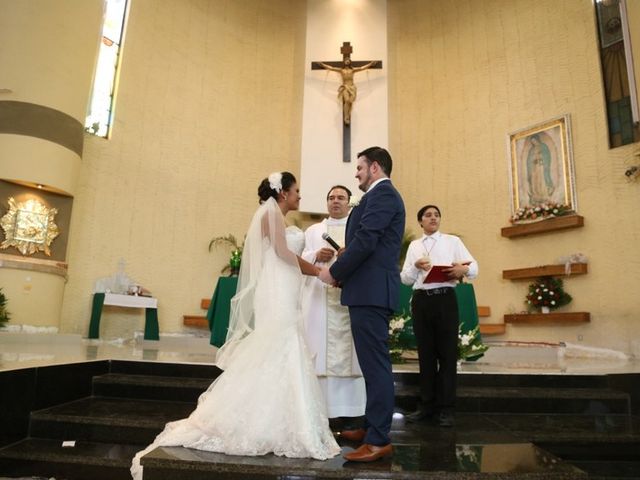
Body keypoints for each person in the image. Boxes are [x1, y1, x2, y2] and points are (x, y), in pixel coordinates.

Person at [131, 172, 340, 479]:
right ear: (283, 193)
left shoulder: (275, 217)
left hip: (284, 287)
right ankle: (274, 421)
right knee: (282, 344)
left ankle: (282, 416)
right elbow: (283, 254)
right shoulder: (271, 216)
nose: (299, 196)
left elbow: (283, 254)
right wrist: (318, 273)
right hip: (280, 289)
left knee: (283, 345)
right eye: (296, 191)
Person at [318, 147, 405, 463]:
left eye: (360, 168)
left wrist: (335, 272)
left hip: (371, 292)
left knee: (376, 366)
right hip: (365, 288)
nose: (356, 173)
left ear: (376, 168)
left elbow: (367, 240)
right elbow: (366, 243)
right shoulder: (376, 197)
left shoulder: (383, 195)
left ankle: (379, 439)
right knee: (372, 365)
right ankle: (372, 428)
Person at [400, 205, 478, 427]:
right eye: (427, 215)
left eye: (436, 215)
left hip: (445, 299)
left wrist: (463, 271)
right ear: (421, 222)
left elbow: (474, 267)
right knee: (425, 355)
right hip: (422, 301)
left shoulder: (452, 242)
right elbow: (405, 278)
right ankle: (426, 406)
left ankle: (446, 409)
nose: (433, 218)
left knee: (447, 354)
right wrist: (415, 266)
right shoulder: (414, 246)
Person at [301, 185, 366, 429]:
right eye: (331, 197)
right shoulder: (314, 230)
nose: (335, 201)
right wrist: (317, 255)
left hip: (350, 298)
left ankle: (352, 411)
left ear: (349, 202)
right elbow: (300, 258)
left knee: (351, 354)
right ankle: (323, 410)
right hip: (320, 298)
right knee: (320, 351)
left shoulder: (359, 228)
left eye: (341, 197)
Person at [317, 58, 379, 125]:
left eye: (348, 60)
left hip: (352, 87)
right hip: (345, 87)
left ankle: (348, 115)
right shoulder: (341, 70)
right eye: (346, 60)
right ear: (344, 62)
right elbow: (331, 68)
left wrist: (370, 64)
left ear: (350, 62)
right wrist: (322, 65)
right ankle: (346, 117)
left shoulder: (352, 70)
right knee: (346, 100)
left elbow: (361, 68)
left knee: (350, 101)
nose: (347, 61)